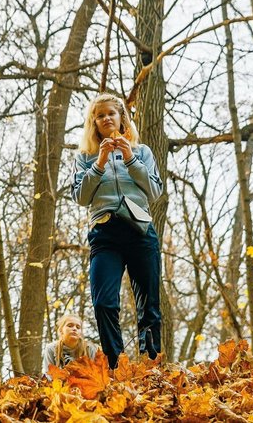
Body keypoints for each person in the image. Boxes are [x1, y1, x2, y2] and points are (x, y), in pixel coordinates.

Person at [71, 93, 163, 368]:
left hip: (140, 230)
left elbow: (155, 190)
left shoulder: (142, 151)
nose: (106, 119)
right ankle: (116, 366)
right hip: (105, 233)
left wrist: (130, 159)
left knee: (149, 304)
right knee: (103, 303)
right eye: (100, 116)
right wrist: (99, 163)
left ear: (121, 117)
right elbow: (80, 196)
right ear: (94, 123)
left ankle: (151, 365)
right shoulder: (85, 157)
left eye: (111, 113)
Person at [42, 314, 98, 378]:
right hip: (60, 386)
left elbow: (95, 374)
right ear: (61, 330)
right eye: (70, 326)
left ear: (81, 333)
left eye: (78, 327)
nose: (74, 329)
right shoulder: (51, 348)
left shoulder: (89, 348)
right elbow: (49, 375)